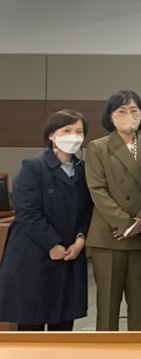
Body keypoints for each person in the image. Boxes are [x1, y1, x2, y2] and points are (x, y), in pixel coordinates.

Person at [0, 110, 93, 331]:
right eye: (66, 130)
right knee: (31, 326)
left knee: (63, 323)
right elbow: (27, 211)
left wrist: (80, 240)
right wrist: (52, 244)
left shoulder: (83, 171)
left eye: (79, 132)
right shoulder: (33, 166)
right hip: (34, 254)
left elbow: (87, 211)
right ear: (52, 135)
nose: (73, 136)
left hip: (70, 254)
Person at [85, 90, 141, 331]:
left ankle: (140, 352)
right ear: (111, 116)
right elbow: (97, 189)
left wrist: (140, 220)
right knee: (107, 307)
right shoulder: (97, 147)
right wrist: (124, 224)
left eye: (134, 110)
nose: (129, 115)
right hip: (110, 235)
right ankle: (105, 354)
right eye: (122, 111)